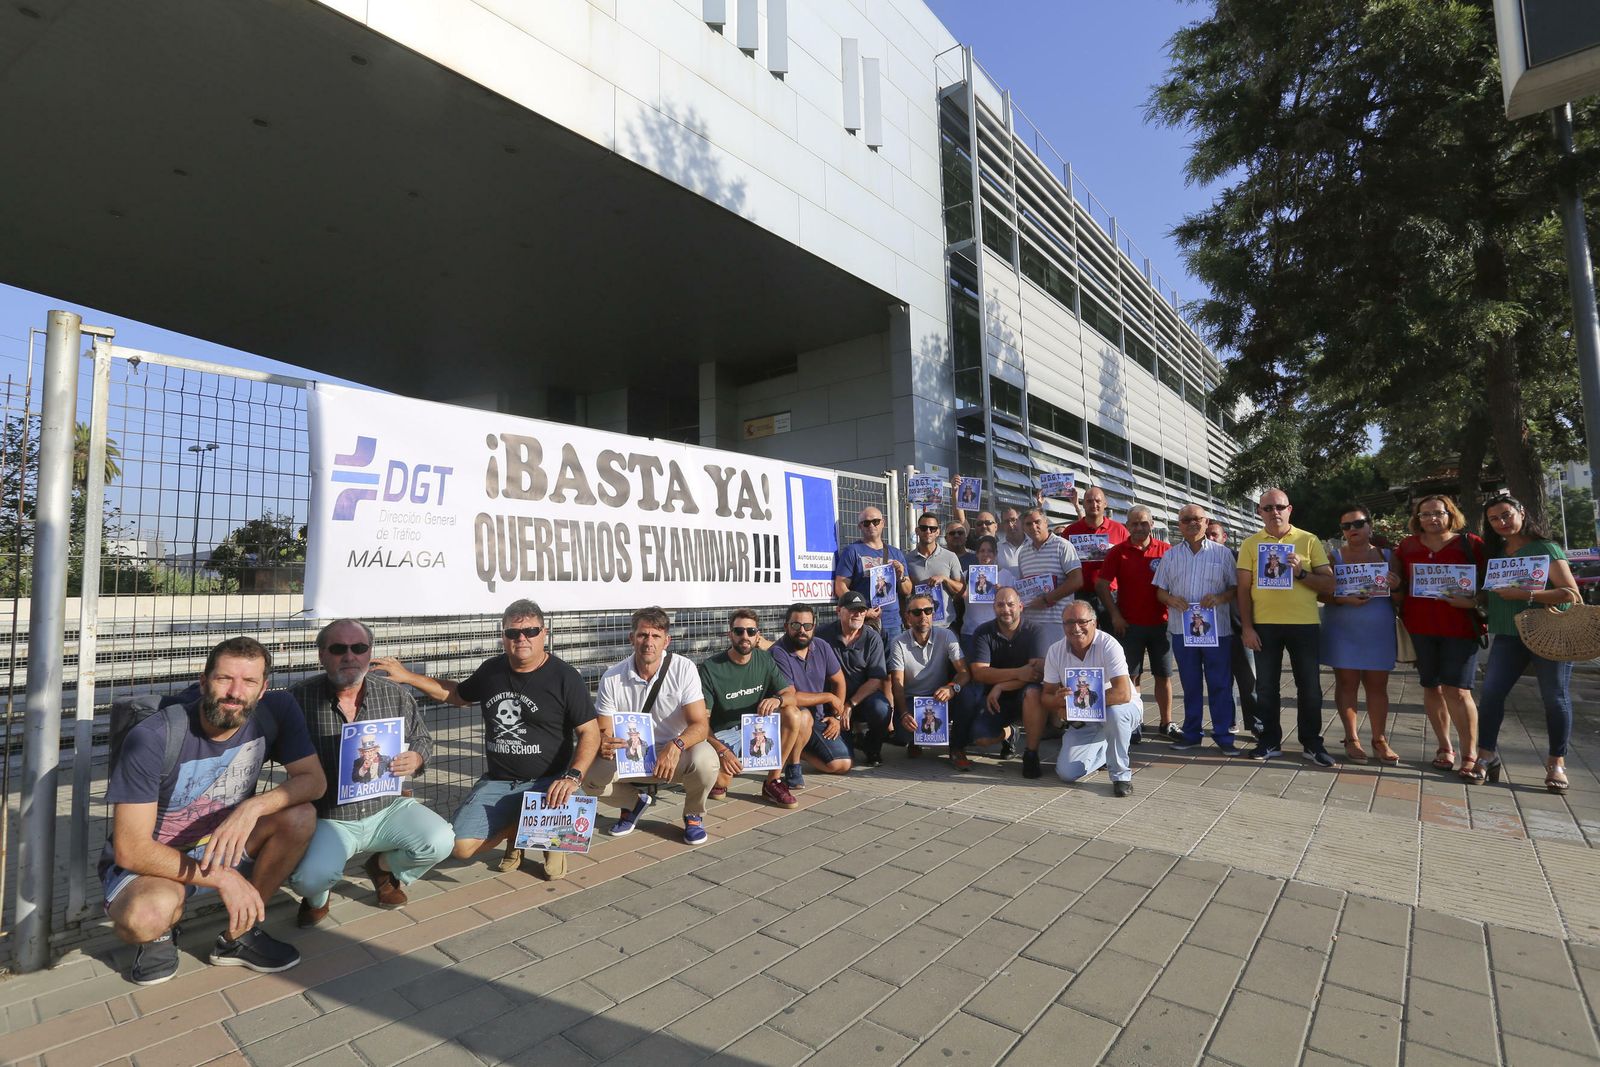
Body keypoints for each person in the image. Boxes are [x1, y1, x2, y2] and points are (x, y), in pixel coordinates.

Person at [102, 636, 322, 986]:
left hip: (226, 844)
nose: (236, 692)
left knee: (300, 815)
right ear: (204, 682)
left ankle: (241, 934)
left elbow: (314, 781)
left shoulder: (278, 709)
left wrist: (253, 808)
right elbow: (131, 850)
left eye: (249, 681)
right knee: (143, 917)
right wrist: (223, 878)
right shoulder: (155, 736)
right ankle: (160, 936)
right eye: (224, 679)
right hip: (159, 861)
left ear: (263, 689)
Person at [375, 599, 599, 880]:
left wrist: (573, 777)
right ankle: (520, 829)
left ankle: (544, 836)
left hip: (550, 783)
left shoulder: (565, 677)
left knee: (559, 863)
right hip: (499, 781)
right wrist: (409, 676)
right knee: (460, 847)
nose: (522, 639)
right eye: (512, 633)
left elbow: (589, 732)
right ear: (503, 637)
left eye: (530, 631)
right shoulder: (492, 670)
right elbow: (457, 694)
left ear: (544, 633)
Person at [289, 620, 452, 928]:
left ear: (369, 653)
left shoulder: (394, 694)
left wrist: (416, 758)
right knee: (309, 880)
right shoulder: (298, 699)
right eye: (338, 649)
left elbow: (421, 739)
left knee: (440, 840)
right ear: (322, 655)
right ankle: (318, 898)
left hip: (387, 808)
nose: (349, 656)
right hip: (330, 816)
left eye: (359, 648)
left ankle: (382, 867)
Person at [583, 607, 716, 845]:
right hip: (630, 755)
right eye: (643, 635)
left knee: (706, 760)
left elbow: (700, 725)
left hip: (674, 754)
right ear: (631, 638)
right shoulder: (612, 677)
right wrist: (604, 743)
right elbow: (605, 730)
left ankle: (693, 814)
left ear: (667, 641)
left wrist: (676, 745)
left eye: (656, 636)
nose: (649, 642)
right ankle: (633, 803)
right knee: (589, 777)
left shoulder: (684, 669)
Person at [1475, 495, 1581, 792]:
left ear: (1522, 512)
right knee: (1492, 695)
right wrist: (1472, 599)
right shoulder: (1495, 552)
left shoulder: (1545, 548)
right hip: (1509, 634)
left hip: (1549, 632)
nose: (1501, 523)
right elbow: (1493, 593)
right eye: (1494, 519)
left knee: (1554, 698)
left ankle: (1556, 762)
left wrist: (1527, 595)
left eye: (1506, 515)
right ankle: (1486, 755)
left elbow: (1569, 594)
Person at [1237, 489, 1337, 765]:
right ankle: (1269, 741)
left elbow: (1329, 584)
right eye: (1267, 508)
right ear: (1259, 512)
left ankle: (1312, 743)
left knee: (1310, 687)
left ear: (1289, 509)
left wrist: (1301, 573)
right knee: (1267, 687)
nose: (1274, 512)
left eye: (1279, 507)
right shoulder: (1250, 544)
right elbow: (1243, 590)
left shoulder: (1308, 540)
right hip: (1264, 625)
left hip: (1304, 624)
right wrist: (1247, 627)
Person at [1394, 495, 1487, 775]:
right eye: (1425, 514)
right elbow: (1399, 583)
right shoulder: (1407, 545)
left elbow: (1489, 584)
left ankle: (1470, 753)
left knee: (1458, 691)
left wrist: (1472, 603)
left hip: (1460, 628)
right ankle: (1445, 747)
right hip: (1420, 627)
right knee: (1431, 687)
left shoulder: (1471, 544)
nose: (1432, 519)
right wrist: (1393, 584)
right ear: (1417, 518)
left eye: (1438, 513)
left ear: (1451, 515)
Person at [1154, 504, 1241, 754]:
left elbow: (1235, 588)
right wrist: (1171, 600)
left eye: (1197, 519)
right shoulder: (1170, 556)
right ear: (1179, 525)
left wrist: (1221, 598)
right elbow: (1160, 591)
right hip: (1182, 631)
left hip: (1217, 632)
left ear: (1206, 522)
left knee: (1220, 684)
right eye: (1186, 520)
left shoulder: (1223, 554)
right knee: (1190, 684)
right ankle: (1191, 733)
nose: (1192, 523)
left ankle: (1224, 736)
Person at [1318, 504, 1401, 766]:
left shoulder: (1388, 555)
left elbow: (1400, 596)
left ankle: (1379, 739)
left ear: (1369, 525)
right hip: (1343, 628)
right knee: (1346, 683)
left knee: (1378, 686)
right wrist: (1344, 599)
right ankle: (1352, 738)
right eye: (1346, 526)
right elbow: (1321, 593)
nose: (1352, 529)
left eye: (1358, 523)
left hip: (1377, 629)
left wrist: (1397, 585)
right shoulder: (1333, 556)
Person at [699, 609, 807, 807]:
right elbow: (701, 722)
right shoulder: (710, 667)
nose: (745, 636)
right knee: (721, 784)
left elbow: (790, 695)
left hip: (756, 729)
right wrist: (722, 751)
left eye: (751, 631)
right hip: (724, 734)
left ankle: (773, 781)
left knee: (793, 713)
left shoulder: (764, 659)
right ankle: (721, 773)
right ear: (729, 634)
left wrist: (778, 700)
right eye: (739, 631)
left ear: (758, 635)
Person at [1042, 602, 1142, 795]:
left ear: (1094, 623)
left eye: (1082, 621)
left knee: (1114, 714)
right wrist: (1059, 702)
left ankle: (1121, 775)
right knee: (1066, 773)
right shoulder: (1055, 650)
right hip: (1085, 720)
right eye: (1069, 622)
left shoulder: (1109, 645)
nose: (1075, 628)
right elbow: (1046, 697)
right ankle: (1108, 748)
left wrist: (1075, 705)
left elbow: (1123, 694)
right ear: (1062, 626)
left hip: (1120, 709)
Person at [1097, 505, 1176, 740]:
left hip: (1162, 625)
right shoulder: (1118, 552)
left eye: (1143, 523)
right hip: (1129, 625)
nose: (1139, 527)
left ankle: (1166, 722)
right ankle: (1135, 723)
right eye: (1134, 523)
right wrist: (1114, 615)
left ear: (1152, 524)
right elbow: (1102, 584)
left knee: (1164, 676)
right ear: (1127, 526)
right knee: (1132, 678)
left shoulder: (1167, 551)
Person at [968, 587, 1049, 776]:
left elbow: (1035, 675)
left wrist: (1000, 684)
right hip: (996, 700)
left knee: (1033, 691)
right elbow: (979, 673)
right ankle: (1011, 733)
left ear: (1020, 606)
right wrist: (1019, 672)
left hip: (1025, 695)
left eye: (1011, 604)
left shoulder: (1036, 631)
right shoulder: (983, 632)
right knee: (981, 739)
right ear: (993, 607)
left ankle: (1031, 753)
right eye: (1000, 605)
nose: (1006, 609)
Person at [890, 592, 974, 768]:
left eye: (928, 611)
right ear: (907, 617)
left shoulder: (947, 635)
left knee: (967, 695)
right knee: (901, 736)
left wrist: (952, 688)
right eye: (917, 612)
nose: (923, 616)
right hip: (912, 699)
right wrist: (904, 712)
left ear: (933, 614)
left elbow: (964, 672)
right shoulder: (898, 642)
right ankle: (914, 741)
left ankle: (957, 748)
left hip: (939, 697)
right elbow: (897, 683)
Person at [770, 603, 853, 778]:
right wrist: (828, 697)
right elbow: (791, 697)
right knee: (803, 715)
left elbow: (839, 681)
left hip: (818, 719)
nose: (802, 630)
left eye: (807, 626)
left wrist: (836, 717)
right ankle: (792, 760)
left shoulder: (821, 646)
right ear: (786, 626)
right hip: (788, 719)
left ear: (813, 627)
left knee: (843, 764)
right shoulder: (778, 652)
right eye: (796, 625)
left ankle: (796, 746)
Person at [816, 592, 893, 767]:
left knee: (882, 709)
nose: (857, 614)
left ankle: (873, 747)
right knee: (843, 759)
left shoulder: (872, 638)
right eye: (852, 610)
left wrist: (850, 705)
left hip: (861, 700)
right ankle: (848, 742)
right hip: (831, 703)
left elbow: (876, 680)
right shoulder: (822, 634)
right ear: (838, 611)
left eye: (861, 610)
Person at [1206, 520, 1260, 734]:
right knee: (1221, 681)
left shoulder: (1239, 558)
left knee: (1249, 682)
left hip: (1240, 630)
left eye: (1214, 534)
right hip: (1214, 632)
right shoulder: (1201, 561)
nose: (1210, 538)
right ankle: (1229, 722)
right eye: (1207, 535)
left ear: (1224, 537)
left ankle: (1256, 724)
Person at [834, 506, 912, 636]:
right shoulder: (852, 551)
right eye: (866, 523)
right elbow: (840, 585)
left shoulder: (896, 553)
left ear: (883, 523)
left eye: (875, 521)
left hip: (892, 623)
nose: (871, 525)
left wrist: (901, 576)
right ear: (860, 527)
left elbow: (907, 590)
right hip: (865, 621)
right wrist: (861, 610)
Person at [1062, 485, 1129, 625]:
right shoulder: (1070, 531)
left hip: (1111, 595)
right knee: (1084, 638)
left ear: (1105, 503)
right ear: (1083, 504)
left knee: (1113, 637)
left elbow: (1128, 560)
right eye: (1089, 501)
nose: (1094, 504)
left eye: (1098, 501)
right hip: (1081, 594)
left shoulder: (1120, 530)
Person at [1017, 507, 1084, 632]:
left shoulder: (1063, 546)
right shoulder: (1023, 553)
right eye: (1028, 524)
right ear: (1024, 528)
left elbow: (1077, 580)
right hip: (1029, 623)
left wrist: (1046, 599)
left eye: (1037, 522)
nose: (1033, 526)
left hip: (1058, 621)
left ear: (1046, 522)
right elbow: (1024, 586)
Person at [960, 535, 1017, 659]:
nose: (986, 554)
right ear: (977, 554)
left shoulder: (1006, 576)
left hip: (997, 632)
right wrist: (962, 594)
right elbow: (958, 596)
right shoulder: (966, 575)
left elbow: (1017, 604)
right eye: (982, 551)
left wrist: (1003, 592)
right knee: (973, 674)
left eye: (990, 551)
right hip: (971, 633)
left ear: (996, 554)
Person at [907, 511, 965, 630]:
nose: (928, 531)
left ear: (938, 532)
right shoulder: (907, 559)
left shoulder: (950, 557)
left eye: (932, 528)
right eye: (924, 528)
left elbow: (962, 590)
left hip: (947, 625)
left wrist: (944, 579)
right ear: (917, 531)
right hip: (920, 626)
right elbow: (906, 593)